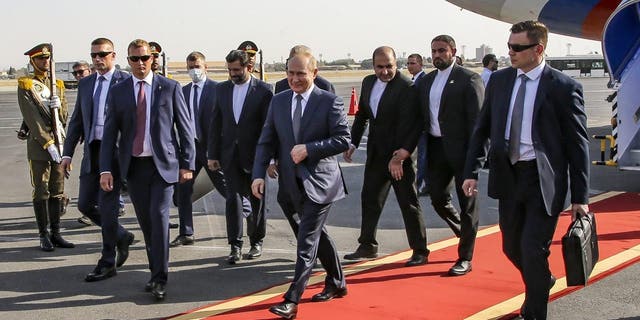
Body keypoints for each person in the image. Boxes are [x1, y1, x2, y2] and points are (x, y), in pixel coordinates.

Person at [462, 21, 590, 319]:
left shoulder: (563, 87)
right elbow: (482, 129)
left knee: (533, 250)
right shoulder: (500, 80)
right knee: (511, 247)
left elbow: (578, 145)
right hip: (508, 176)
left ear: (538, 49)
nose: (511, 53)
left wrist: (580, 197)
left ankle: (534, 312)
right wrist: (471, 170)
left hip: (542, 180)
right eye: (509, 46)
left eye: (517, 48)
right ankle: (541, 282)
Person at [251, 50, 349, 320]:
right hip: (289, 185)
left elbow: (343, 139)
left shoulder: (329, 101)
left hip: (320, 183)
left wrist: (310, 148)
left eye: (301, 74)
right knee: (316, 235)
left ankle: (292, 300)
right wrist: (258, 173)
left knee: (306, 241)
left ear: (314, 74)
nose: (295, 79)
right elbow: (266, 139)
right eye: (291, 73)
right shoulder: (279, 101)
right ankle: (337, 282)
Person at [99, 39, 195, 300]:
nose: (140, 64)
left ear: (153, 59)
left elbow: (185, 130)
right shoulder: (118, 91)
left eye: (144, 58)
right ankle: (155, 271)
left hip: (163, 167)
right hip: (135, 168)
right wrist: (105, 169)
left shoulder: (170, 88)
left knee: (160, 218)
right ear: (127, 61)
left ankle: (160, 278)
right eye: (134, 59)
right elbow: (109, 135)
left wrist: (188, 164)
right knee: (146, 223)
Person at [342, 46, 428, 266]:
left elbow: (412, 125)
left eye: (389, 66)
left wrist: (401, 156)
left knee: (408, 203)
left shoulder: (406, 87)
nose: (385, 71)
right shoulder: (368, 82)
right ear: (373, 66)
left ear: (395, 63)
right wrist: (352, 142)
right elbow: (361, 116)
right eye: (380, 67)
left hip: (400, 156)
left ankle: (420, 250)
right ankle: (367, 245)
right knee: (370, 199)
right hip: (376, 154)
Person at [61, 38, 135, 282]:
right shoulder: (86, 84)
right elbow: (77, 122)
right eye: (94, 55)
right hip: (93, 150)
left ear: (114, 55)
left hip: (115, 153)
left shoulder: (126, 81)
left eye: (103, 54)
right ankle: (121, 235)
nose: (98, 59)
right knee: (84, 204)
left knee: (109, 205)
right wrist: (67, 153)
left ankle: (107, 260)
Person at [414, 35, 484, 276]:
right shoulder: (426, 81)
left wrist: (477, 158)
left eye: (442, 50)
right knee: (437, 197)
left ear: (453, 51)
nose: (437, 55)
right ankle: (463, 232)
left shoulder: (469, 79)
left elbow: (478, 124)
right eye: (433, 51)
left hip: (463, 151)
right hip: (436, 148)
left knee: (467, 204)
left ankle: (465, 256)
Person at [207, 50, 273, 264]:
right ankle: (235, 245)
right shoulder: (222, 89)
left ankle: (256, 240)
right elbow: (215, 123)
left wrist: (270, 159)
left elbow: (268, 127)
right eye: (229, 70)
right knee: (232, 200)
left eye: (236, 70)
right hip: (229, 155)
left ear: (249, 68)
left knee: (257, 200)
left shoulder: (264, 91)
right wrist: (213, 154)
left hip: (255, 156)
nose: (232, 74)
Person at [272, 45, 335, 236]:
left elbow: (333, 133)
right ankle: (305, 238)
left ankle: (310, 241)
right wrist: (272, 159)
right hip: (288, 162)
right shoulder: (281, 88)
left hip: (313, 164)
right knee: (285, 200)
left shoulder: (324, 88)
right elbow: (275, 128)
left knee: (310, 211)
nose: (294, 78)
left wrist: (311, 149)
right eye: (290, 69)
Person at [17, 43, 75, 252]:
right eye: (40, 58)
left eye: (47, 58)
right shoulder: (26, 85)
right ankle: (43, 234)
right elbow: (32, 119)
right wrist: (47, 143)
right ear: (32, 61)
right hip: (40, 146)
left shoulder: (58, 84)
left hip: (59, 143)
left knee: (57, 190)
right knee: (41, 190)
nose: (45, 62)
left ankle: (56, 232)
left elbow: (64, 118)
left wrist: (58, 107)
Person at [170, 51, 229, 247]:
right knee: (183, 190)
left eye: (197, 67)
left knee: (226, 188)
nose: (194, 71)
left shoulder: (217, 89)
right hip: (190, 149)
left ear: (206, 68)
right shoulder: (183, 91)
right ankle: (186, 232)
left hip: (211, 148)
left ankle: (248, 213)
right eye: (191, 67)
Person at [406, 53, 429, 196]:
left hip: (423, 126)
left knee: (422, 156)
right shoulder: (415, 80)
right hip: (416, 125)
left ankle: (421, 185)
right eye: (408, 63)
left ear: (420, 64)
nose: (409, 66)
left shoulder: (424, 80)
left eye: (413, 63)